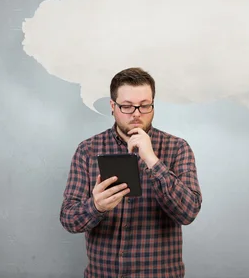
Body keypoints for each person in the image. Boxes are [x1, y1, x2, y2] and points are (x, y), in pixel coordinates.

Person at [59, 67, 203, 278]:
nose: (136, 113)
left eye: (144, 106)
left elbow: (188, 212)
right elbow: (68, 219)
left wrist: (152, 161)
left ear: (153, 105)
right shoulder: (88, 150)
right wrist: (95, 206)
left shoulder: (178, 148)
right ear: (112, 106)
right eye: (127, 106)